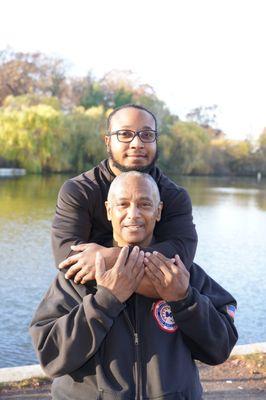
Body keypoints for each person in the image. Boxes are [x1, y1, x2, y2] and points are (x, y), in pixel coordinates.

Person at [30, 172, 238, 400]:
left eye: (144, 204)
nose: (133, 214)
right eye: (123, 205)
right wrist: (105, 301)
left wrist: (185, 300)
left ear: (158, 211)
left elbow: (220, 348)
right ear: (109, 210)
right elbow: (51, 355)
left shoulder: (182, 273)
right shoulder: (81, 273)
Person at [52, 104, 197, 292]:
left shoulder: (174, 196)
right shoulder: (79, 191)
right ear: (107, 141)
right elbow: (68, 259)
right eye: (125, 134)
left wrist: (110, 256)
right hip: (90, 300)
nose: (137, 144)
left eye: (146, 135)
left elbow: (180, 255)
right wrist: (153, 275)